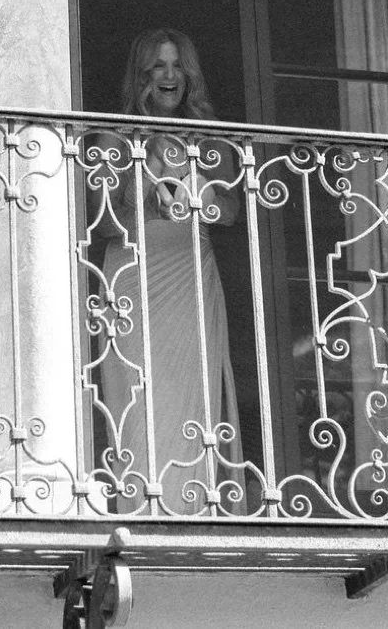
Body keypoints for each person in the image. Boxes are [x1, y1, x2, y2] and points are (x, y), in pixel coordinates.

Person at [92, 29, 245, 513]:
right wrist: (146, 198)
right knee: (135, 397)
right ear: (142, 75)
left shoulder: (206, 136)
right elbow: (96, 214)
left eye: (178, 66)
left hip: (190, 272)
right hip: (134, 274)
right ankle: (138, 506)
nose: (170, 76)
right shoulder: (112, 134)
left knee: (191, 396)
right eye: (159, 66)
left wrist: (202, 201)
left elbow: (234, 210)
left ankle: (193, 506)